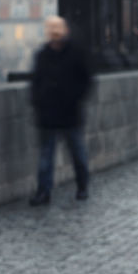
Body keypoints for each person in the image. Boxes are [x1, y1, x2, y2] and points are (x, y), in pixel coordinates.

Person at [28, 16, 94, 206]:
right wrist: (38, 101)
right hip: (47, 113)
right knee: (45, 158)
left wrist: (75, 98)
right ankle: (43, 192)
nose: (54, 32)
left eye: (57, 28)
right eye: (51, 28)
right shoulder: (42, 54)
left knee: (77, 154)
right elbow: (36, 82)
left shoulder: (76, 52)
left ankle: (82, 186)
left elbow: (86, 80)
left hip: (70, 112)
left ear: (64, 30)